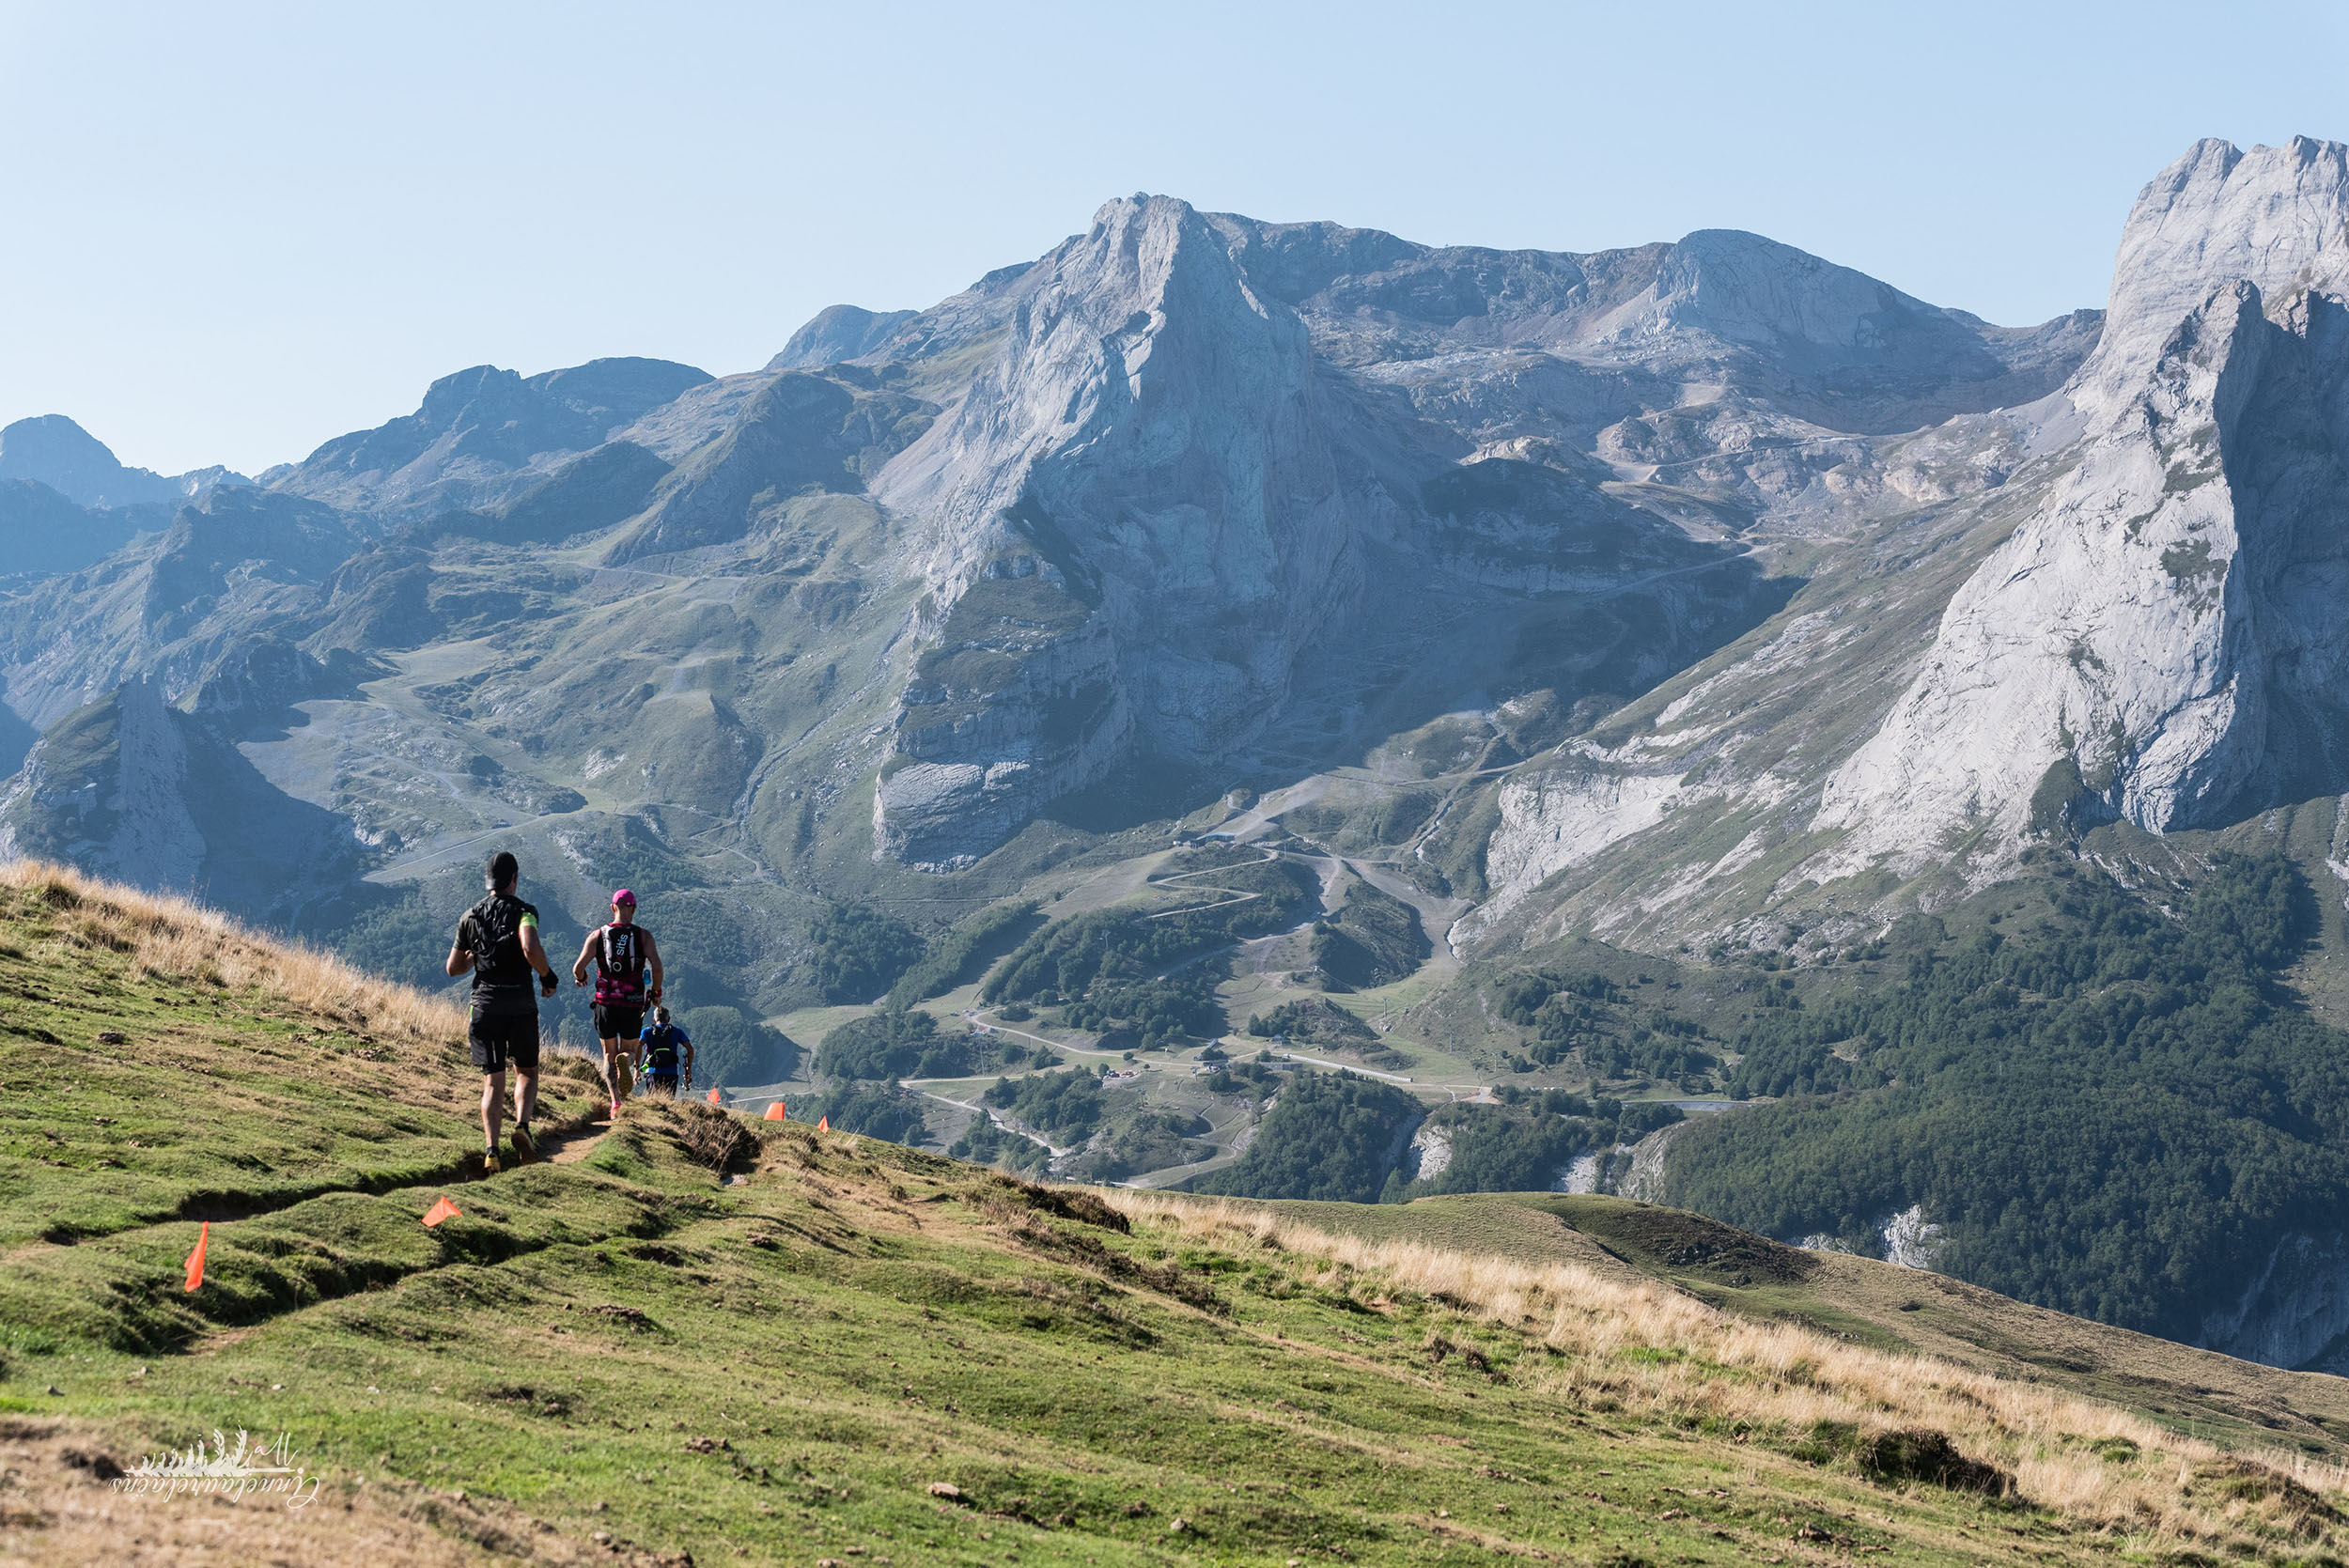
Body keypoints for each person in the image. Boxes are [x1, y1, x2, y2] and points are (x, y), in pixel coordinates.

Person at [445, 849, 560, 1172]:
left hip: (484, 1006)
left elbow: (453, 968)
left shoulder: (470, 916)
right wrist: (547, 976)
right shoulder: (526, 911)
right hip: (520, 1006)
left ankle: (491, 1151)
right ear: (514, 879)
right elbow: (529, 947)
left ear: (488, 882)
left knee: (492, 1081)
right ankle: (522, 1127)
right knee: (526, 1072)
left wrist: (477, 956)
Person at [573, 888, 661, 1119]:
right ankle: (628, 1060)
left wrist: (581, 978)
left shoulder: (597, 936)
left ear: (613, 908)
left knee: (607, 1055)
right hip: (632, 1004)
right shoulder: (643, 936)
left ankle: (615, 1102)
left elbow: (578, 968)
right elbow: (657, 966)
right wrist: (656, 993)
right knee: (630, 1050)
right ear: (634, 908)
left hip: (605, 1005)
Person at [636, 1004, 694, 1096]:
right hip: (671, 1072)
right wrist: (689, 1068)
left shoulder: (647, 1031)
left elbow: (638, 1046)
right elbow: (690, 1049)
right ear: (669, 1019)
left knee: (653, 1101)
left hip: (652, 1071)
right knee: (667, 1102)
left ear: (654, 1019)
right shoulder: (677, 1031)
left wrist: (637, 1067)